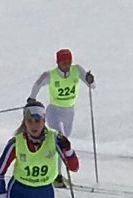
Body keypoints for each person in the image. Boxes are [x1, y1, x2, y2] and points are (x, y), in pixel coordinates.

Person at [27, 48, 94, 188]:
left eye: (69, 62)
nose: (67, 65)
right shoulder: (51, 75)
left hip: (70, 111)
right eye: (64, 62)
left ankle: (56, 173)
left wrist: (90, 80)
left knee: (64, 142)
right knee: (59, 141)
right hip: (54, 111)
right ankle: (56, 176)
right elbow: (38, 83)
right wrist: (32, 98)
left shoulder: (77, 70)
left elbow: (92, 86)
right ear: (58, 62)